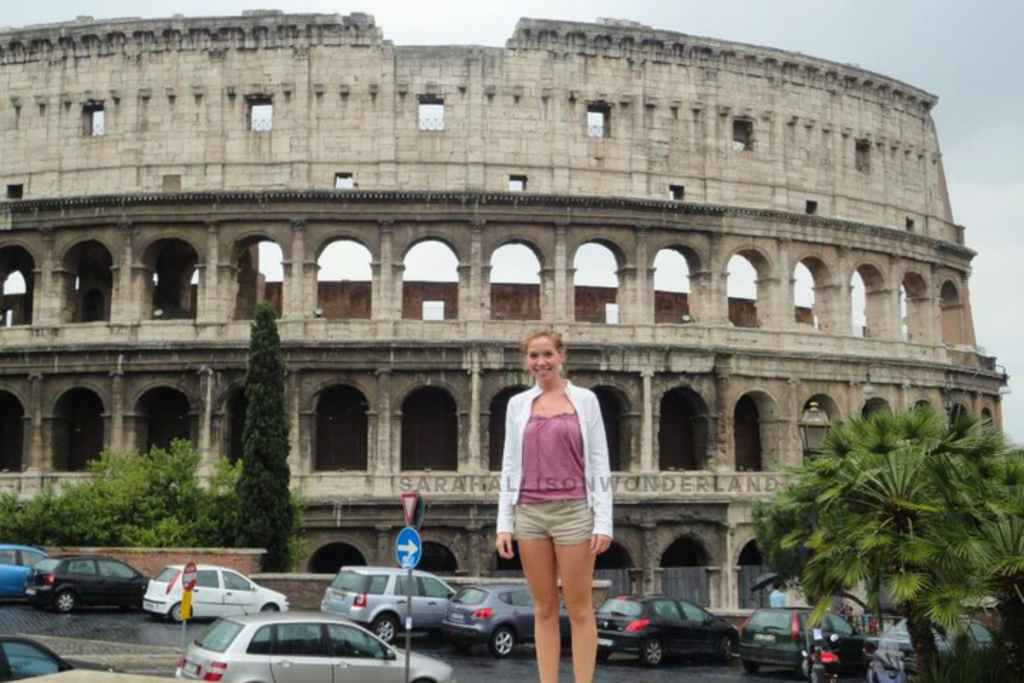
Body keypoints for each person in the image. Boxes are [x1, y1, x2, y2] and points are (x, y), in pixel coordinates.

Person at [495, 329, 613, 683]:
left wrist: (603, 522)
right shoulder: (518, 405)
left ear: (561, 356)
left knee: (578, 608)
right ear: (526, 361)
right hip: (529, 513)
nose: (540, 362)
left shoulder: (586, 400)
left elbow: (599, 461)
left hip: (574, 511)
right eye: (533, 356)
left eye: (547, 354)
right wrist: (504, 523)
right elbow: (509, 464)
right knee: (543, 607)